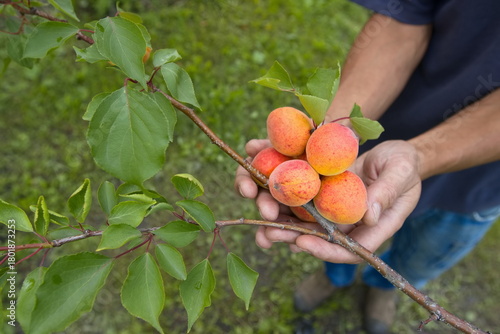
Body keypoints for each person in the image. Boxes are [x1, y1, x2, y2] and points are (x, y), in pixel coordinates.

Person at [235, 1, 500, 333]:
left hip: (477, 187)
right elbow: (405, 16)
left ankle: (382, 288)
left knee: (419, 257)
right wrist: (328, 129)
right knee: (344, 236)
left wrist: (419, 157)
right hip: (378, 150)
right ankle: (334, 276)